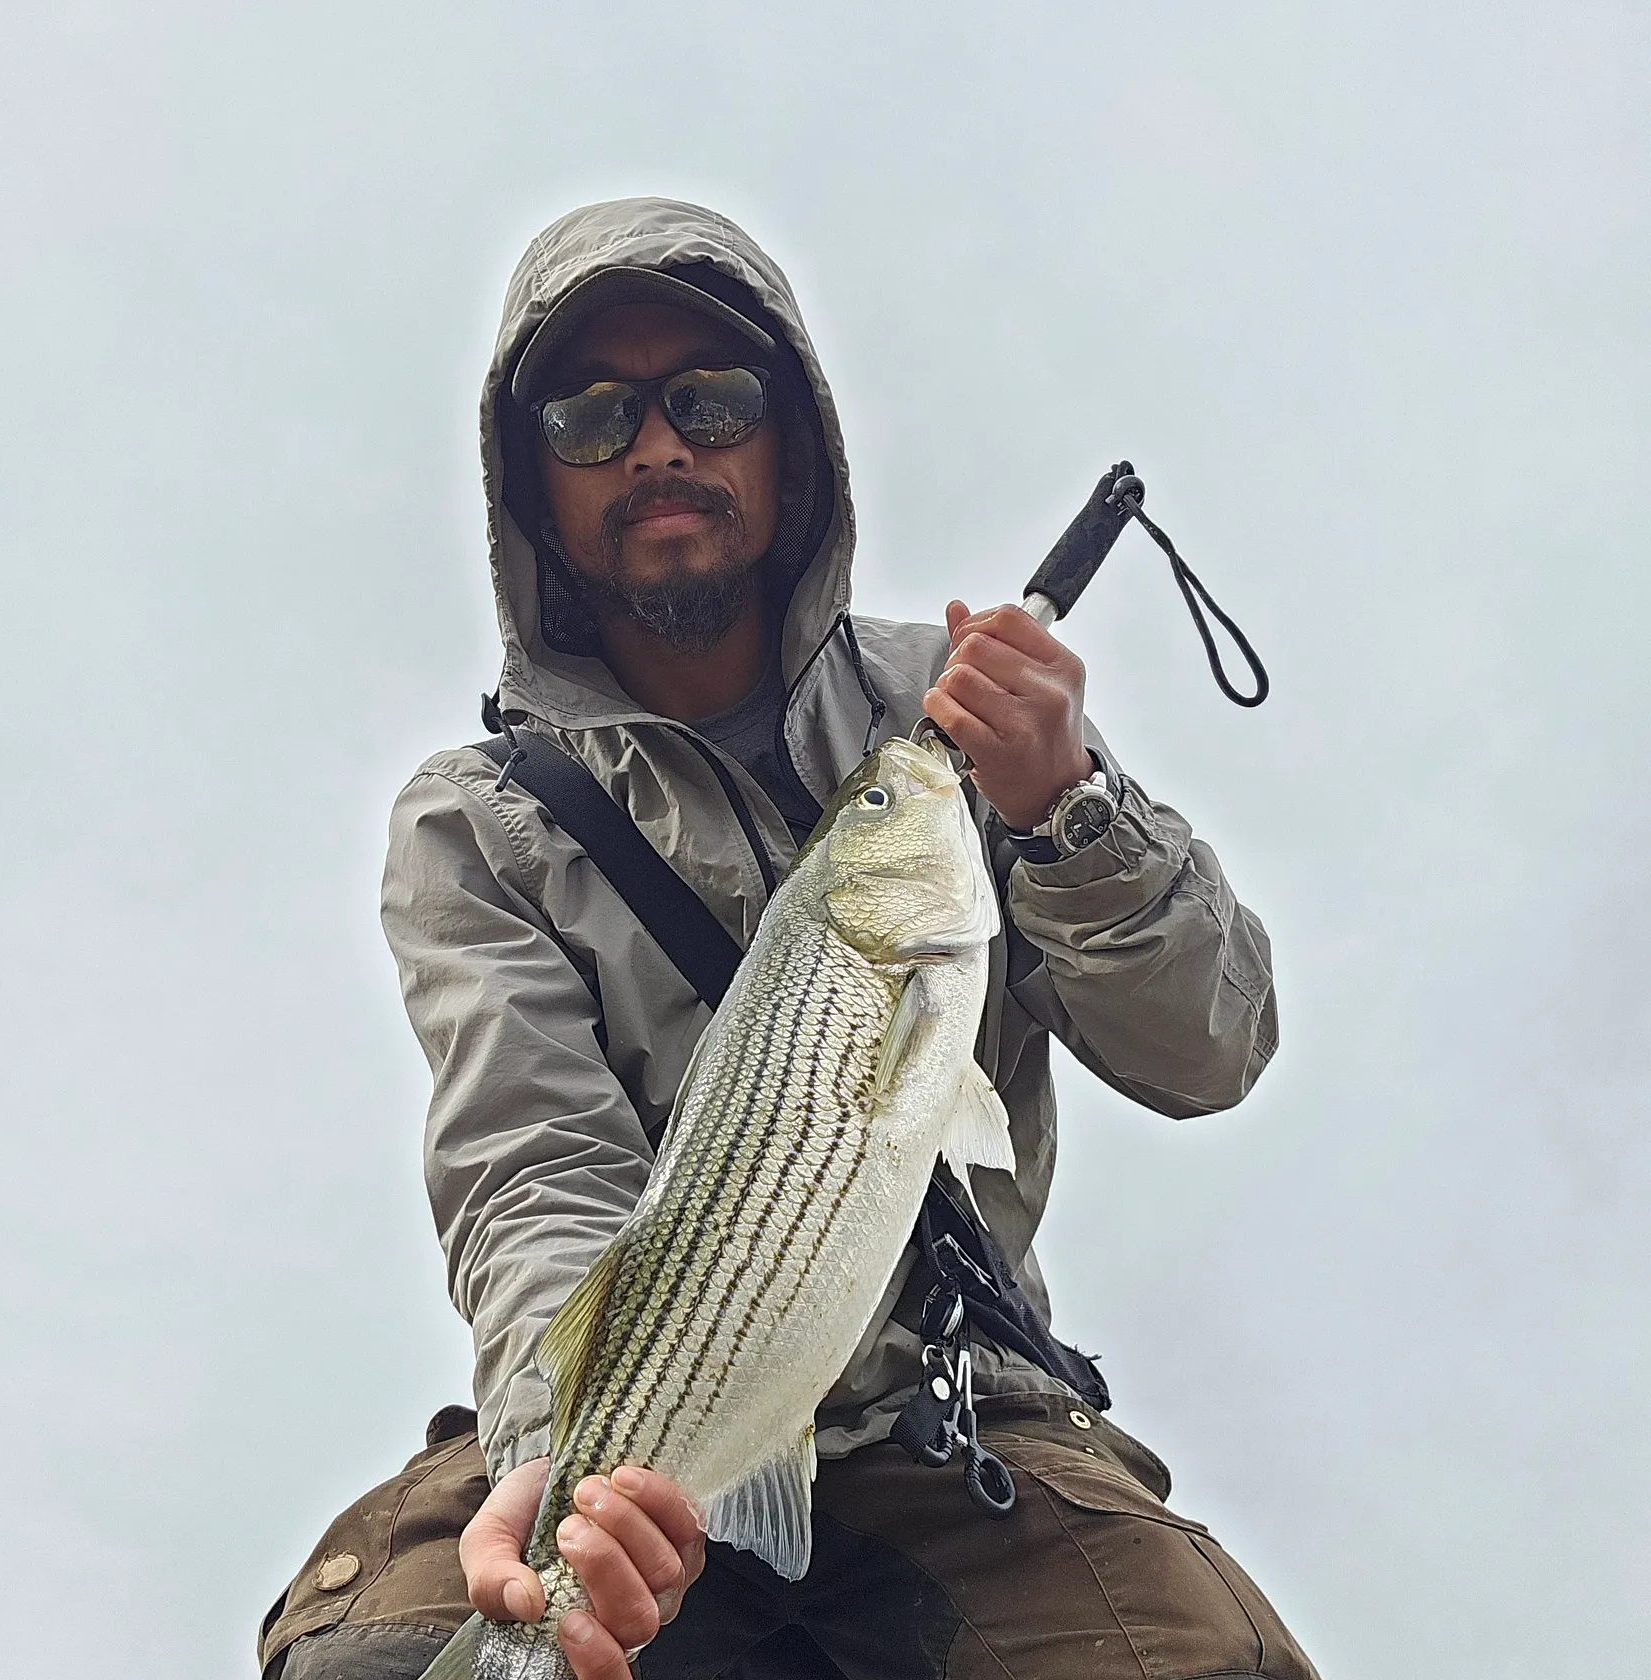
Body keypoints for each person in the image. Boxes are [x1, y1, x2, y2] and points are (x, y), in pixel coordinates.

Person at [259, 197, 1314, 1680]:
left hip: (963, 1428)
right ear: (530, 491)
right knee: (363, 1659)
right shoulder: (475, 821)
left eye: (711, 400)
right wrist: (567, 1466)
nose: (657, 447)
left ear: (791, 447)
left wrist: (1070, 810)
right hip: (640, 1425)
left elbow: (1212, 1050)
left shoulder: (959, 716)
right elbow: (533, 1163)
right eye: (591, 418)